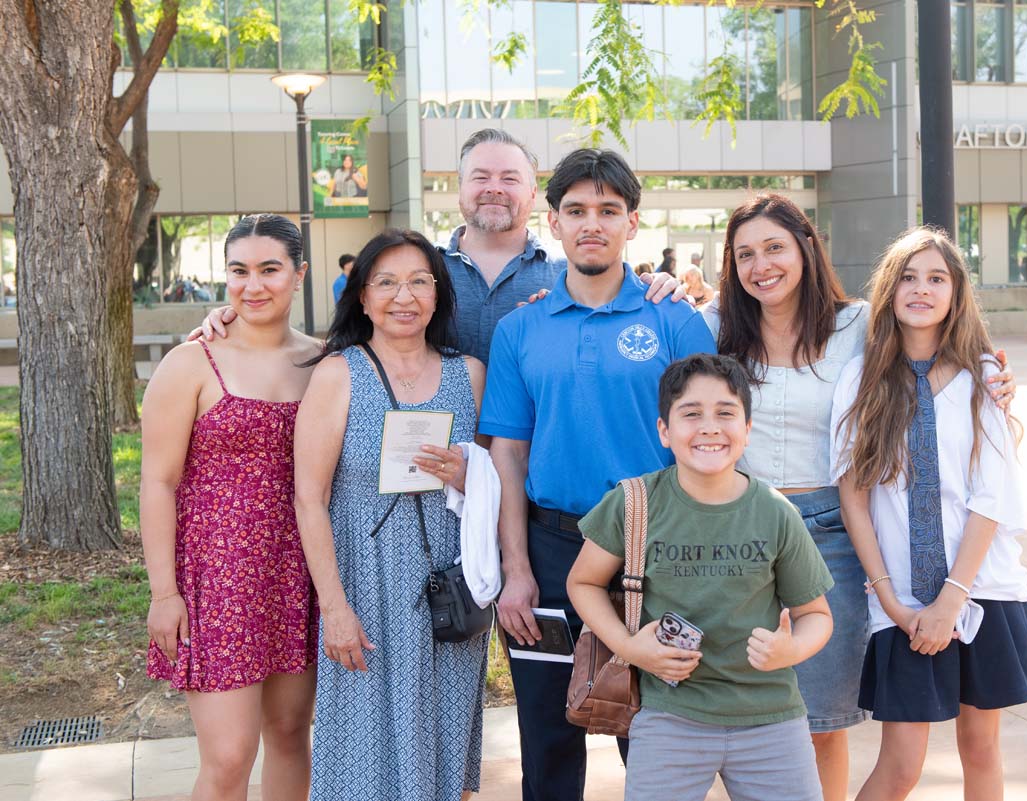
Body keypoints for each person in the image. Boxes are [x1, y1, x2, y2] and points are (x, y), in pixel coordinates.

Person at [702, 195, 1016, 801]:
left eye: (774, 247)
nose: (760, 264)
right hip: (743, 529)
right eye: (744, 254)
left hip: (833, 536)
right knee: (739, 716)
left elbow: (937, 346)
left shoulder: (859, 326)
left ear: (806, 249)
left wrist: (995, 375)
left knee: (823, 720)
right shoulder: (715, 327)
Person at [480, 148, 716, 801]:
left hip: (659, 549)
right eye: (577, 210)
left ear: (632, 222)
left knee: (659, 741)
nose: (593, 223)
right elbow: (508, 453)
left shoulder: (674, 318)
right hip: (552, 547)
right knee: (549, 745)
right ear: (551, 222)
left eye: (608, 211)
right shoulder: (520, 328)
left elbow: (711, 443)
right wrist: (517, 568)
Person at [832, 226, 1027, 801]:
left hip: (982, 587)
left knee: (981, 748)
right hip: (901, 599)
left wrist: (952, 598)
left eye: (937, 278)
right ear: (889, 291)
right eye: (907, 277)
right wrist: (890, 600)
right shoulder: (860, 380)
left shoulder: (984, 376)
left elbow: (991, 496)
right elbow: (854, 496)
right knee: (901, 764)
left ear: (956, 293)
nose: (921, 289)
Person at [568, 353, 834, 801]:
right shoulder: (635, 503)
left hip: (770, 718)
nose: (710, 427)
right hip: (669, 716)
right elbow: (583, 582)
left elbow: (817, 615)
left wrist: (792, 649)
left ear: (747, 430)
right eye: (692, 414)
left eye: (725, 414)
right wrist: (630, 647)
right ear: (664, 431)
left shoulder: (775, 513)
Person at [198, 128, 683, 360]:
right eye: (481, 176)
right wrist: (234, 319)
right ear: (459, 189)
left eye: (510, 178)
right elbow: (352, 343)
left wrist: (659, 286)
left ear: (535, 196)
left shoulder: (566, 276)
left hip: (532, 470)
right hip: (428, 470)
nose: (495, 187)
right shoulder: (415, 271)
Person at [293, 228, 489, 800]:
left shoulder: (469, 374)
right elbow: (309, 496)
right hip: (365, 582)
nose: (403, 297)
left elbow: (496, 480)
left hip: (446, 590)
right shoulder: (338, 374)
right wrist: (333, 607)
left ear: (438, 295)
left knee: (445, 741)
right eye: (386, 282)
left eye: (419, 282)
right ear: (362, 296)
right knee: (364, 749)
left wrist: (466, 475)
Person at [141, 214, 321, 801]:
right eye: (239, 271)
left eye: (270, 269)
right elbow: (157, 484)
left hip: (299, 575)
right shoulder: (192, 362)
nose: (253, 285)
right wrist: (165, 593)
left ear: (299, 273)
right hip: (218, 583)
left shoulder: (325, 362)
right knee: (228, 755)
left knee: (292, 735)